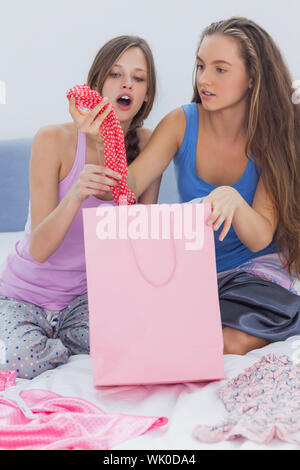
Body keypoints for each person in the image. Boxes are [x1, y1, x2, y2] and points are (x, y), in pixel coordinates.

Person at [116, 17, 300, 355]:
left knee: (229, 341)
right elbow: (127, 187)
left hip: (254, 271)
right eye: (201, 66)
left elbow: (259, 235)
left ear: (252, 78)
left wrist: (231, 198)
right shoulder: (180, 123)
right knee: (156, 333)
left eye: (220, 69)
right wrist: (106, 128)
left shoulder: (271, 138)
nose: (204, 79)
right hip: (196, 271)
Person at [0, 36, 161, 379]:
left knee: (135, 342)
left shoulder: (148, 146)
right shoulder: (53, 139)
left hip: (88, 300)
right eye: (116, 74)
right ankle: (51, 341)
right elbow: (39, 249)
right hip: (25, 295)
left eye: (138, 77)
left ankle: (59, 342)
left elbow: (141, 243)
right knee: (20, 361)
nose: (127, 84)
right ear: (98, 82)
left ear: (146, 94)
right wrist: (75, 194)